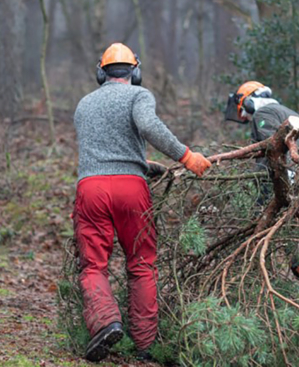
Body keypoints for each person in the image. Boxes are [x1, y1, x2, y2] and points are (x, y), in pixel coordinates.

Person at [73, 42, 212, 362]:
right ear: (135, 71)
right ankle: (146, 345)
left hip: (91, 188)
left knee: (94, 265)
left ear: (101, 72)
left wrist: (144, 164)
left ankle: (106, 323)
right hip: (131, 191)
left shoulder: (84, 104)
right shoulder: (139, 95)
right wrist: (185, 156)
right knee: (141, 264)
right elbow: (147, 126)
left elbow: (105, 146)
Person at [225, 81, 299, 293]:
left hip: (286, 188)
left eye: (243, 110)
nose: (243, 117)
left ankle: (257, 286)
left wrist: (283, 189)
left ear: (250, 100)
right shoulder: (286, 112)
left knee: (275, 248)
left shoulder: (263, 114)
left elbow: (277, 152)